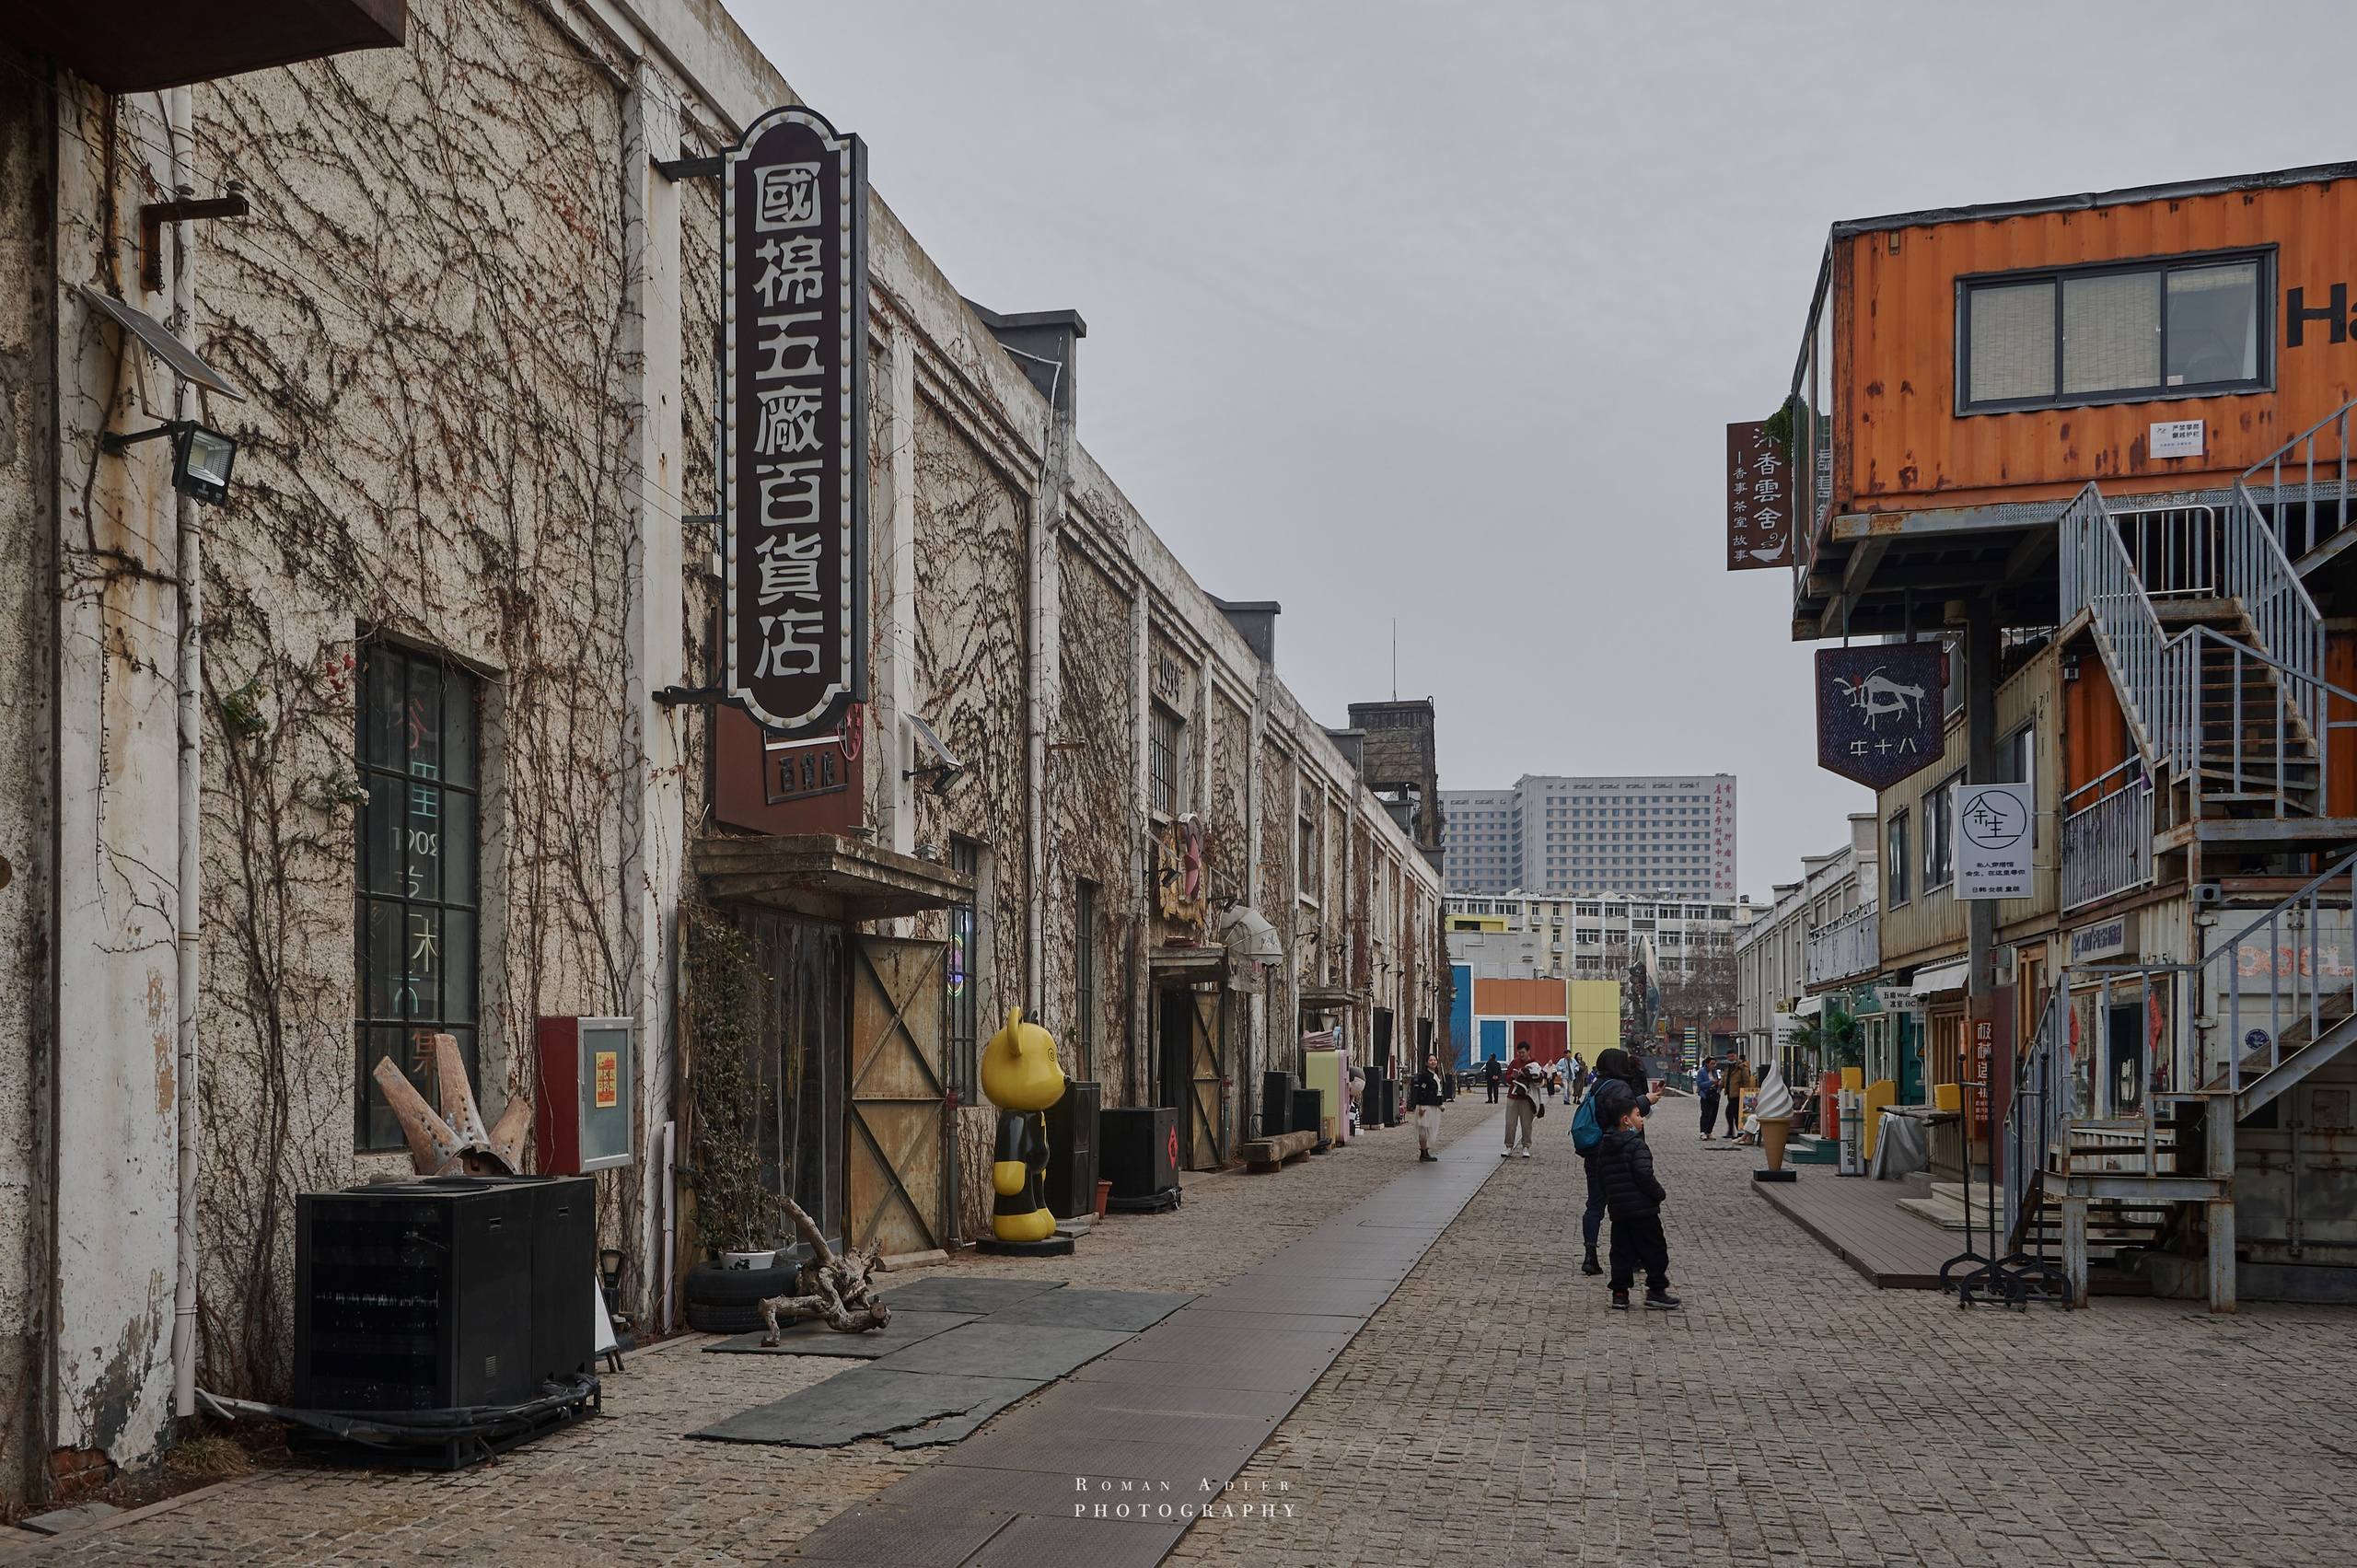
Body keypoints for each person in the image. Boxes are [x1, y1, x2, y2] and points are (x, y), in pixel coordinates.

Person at [1578, 1047, 1663, 1275]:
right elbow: (1625, 1113)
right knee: (1628, 1206)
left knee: (1595, 1204)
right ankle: (1633, 1256)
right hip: (1620, 1152)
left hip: (1595, 1150)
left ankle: (1590, 1254)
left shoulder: (1598, 1085)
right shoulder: (1620, 1086)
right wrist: (1647, 1100)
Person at [1596, 1094, 1678, 1309]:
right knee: (1654, 1249)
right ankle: (1656, 1289)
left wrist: (1611, 1199)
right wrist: (1659, 1194)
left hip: (1620, 1210)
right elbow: (1644, 1176)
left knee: (1622, 1251)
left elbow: (1602, 1178)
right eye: (1638, 1115)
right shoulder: (1637, 1145)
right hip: (1643, 1210)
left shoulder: (1606, 1146)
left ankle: (1620, 1292)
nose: (1641, 1119)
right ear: (1626, 1120)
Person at [1501, 1041, 1544, 1157]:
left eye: (1523, 1052)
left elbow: (1539, 1078)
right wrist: (1513, 1076)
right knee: (1510, 1123)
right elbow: (1507, 1078)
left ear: (1528, 1052)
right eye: (1519, 1052)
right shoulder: (1514, 1062)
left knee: (1526, 1124)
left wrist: (1527, 1075)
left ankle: (1526, 1147)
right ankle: (1509, 1146)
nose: (1521, 1055)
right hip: (1513, 1096)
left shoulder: (1535, 1063)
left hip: (1527, 1098)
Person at [1410, 1052, 1446, 1162]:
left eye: (1434, 1060)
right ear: (1426, 1063)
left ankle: (1425, 1152)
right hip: (1426, 1106)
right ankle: (1423, 1152)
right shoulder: (1425, 1076)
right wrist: (1421, 1106)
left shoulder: (1436, 1075)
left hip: (1434, 1105)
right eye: (1430, 1060)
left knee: (1429, 1128)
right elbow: (1422, 1091)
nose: (1433, 1062)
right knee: (1423, 1128)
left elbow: (1437, 1091)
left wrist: (1440, 1104)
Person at [1719, 1051, 1753, 1140]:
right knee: (1734, 1113)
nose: (1730, 1058)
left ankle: (1737, 1132)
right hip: (1730, 1093)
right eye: (1729, 1056)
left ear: (1736, 1056)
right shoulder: (1728, 1067)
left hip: (1739, 1094)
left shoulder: (1742, 1068)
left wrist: (1746, 1093)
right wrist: (1720, 1087)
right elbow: (1725, 1079)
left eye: (1732, 1056)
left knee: (1730, 1112)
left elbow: (1746, 1081)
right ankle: (1734, 1132)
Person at [1695, 1055, 1721, 1141]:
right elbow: (1700, 1083)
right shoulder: (1702, 1072)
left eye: (1714, 1064)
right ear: (1707, 1064)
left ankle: (1709, 1132)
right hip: (1706, 1095)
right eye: (1712, 1064)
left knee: (1713, 1114)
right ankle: (1703, 1132)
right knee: (1706, 1114)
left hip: (1714, 1094)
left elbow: (1717, 1079)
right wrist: (1710, 1082)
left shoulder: (1715, 1072)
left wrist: (1717, 1083)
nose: (1713, 1065)